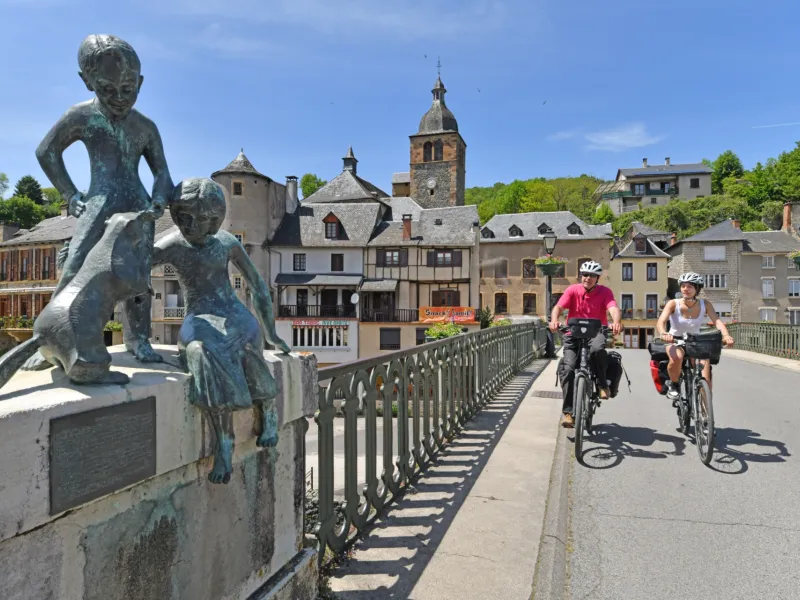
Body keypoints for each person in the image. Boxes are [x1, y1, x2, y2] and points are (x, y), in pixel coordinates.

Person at [32, 34, 172, 367]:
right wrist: (70, 194)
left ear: (140, 82)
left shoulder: (145, 126)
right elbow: (46, 152)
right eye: (108, 90)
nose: (120, 98)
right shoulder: (80, 116)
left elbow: (162, 172)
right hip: (98, 203)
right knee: (74, 268)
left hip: (137, 206)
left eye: (129, 90)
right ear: (88, 82)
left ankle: (138, 339)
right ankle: (48, 341)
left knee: (138, 278)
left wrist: (158, 199)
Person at [153, 178, 291, 484]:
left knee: (245, 345)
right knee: (201, 352)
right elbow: (131, 267)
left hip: (233, 313)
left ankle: (267, 410)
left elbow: (257, 286)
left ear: (215, 220)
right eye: (183, 216)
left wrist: (271, 333)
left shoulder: (227, 242)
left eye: (201, 219)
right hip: (199, 316)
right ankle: (224, 439)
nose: (191, 225)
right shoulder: (172, 244)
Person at [550, 261, 623, 428]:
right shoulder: (572, 290)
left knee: (597, 350)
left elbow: (613, 308)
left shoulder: (605, 292)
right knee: (568, 369)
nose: (587, 278)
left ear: (597, 278)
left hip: (596, 331)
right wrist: (555, 320)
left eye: (591, 276)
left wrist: (616, 321)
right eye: (584, 275)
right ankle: (568, 413)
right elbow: (558, 307)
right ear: (580, 276)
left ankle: (603, 384)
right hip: (573, 334)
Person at [656, 272, 734, 403]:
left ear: (697, 289)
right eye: (683, 286)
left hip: (696, 341)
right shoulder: (673, 303)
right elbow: (661, 321)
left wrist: (726, 336)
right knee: (677, 357)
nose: (686, 289)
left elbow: (717, 321)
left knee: (705, 372)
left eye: (690, 286)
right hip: (675, 339)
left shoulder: (705, 304)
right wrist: (664, 333)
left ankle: (705, 410)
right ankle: (673, 384)